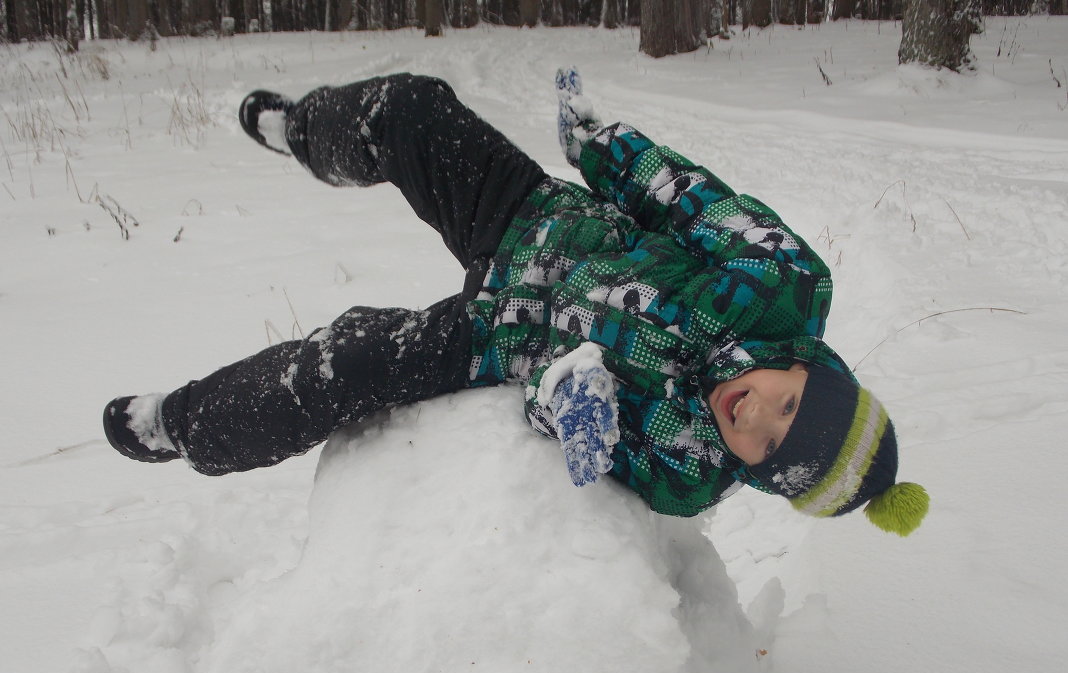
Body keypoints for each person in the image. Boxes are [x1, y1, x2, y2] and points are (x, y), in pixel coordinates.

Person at [103, 70, 929, 535]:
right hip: (532, 218)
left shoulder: (688, 470)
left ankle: (182, 422)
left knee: (347, 361)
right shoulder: (785, 284)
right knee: (414, 110)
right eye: (786, 402)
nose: (753, 416)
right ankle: (308, 132)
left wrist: (565, 403)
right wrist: (604, 148)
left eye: (766, 444)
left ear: (758, 476)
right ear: (805, 367)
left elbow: (597, 448)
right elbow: (691, 200)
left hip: (495, 338)